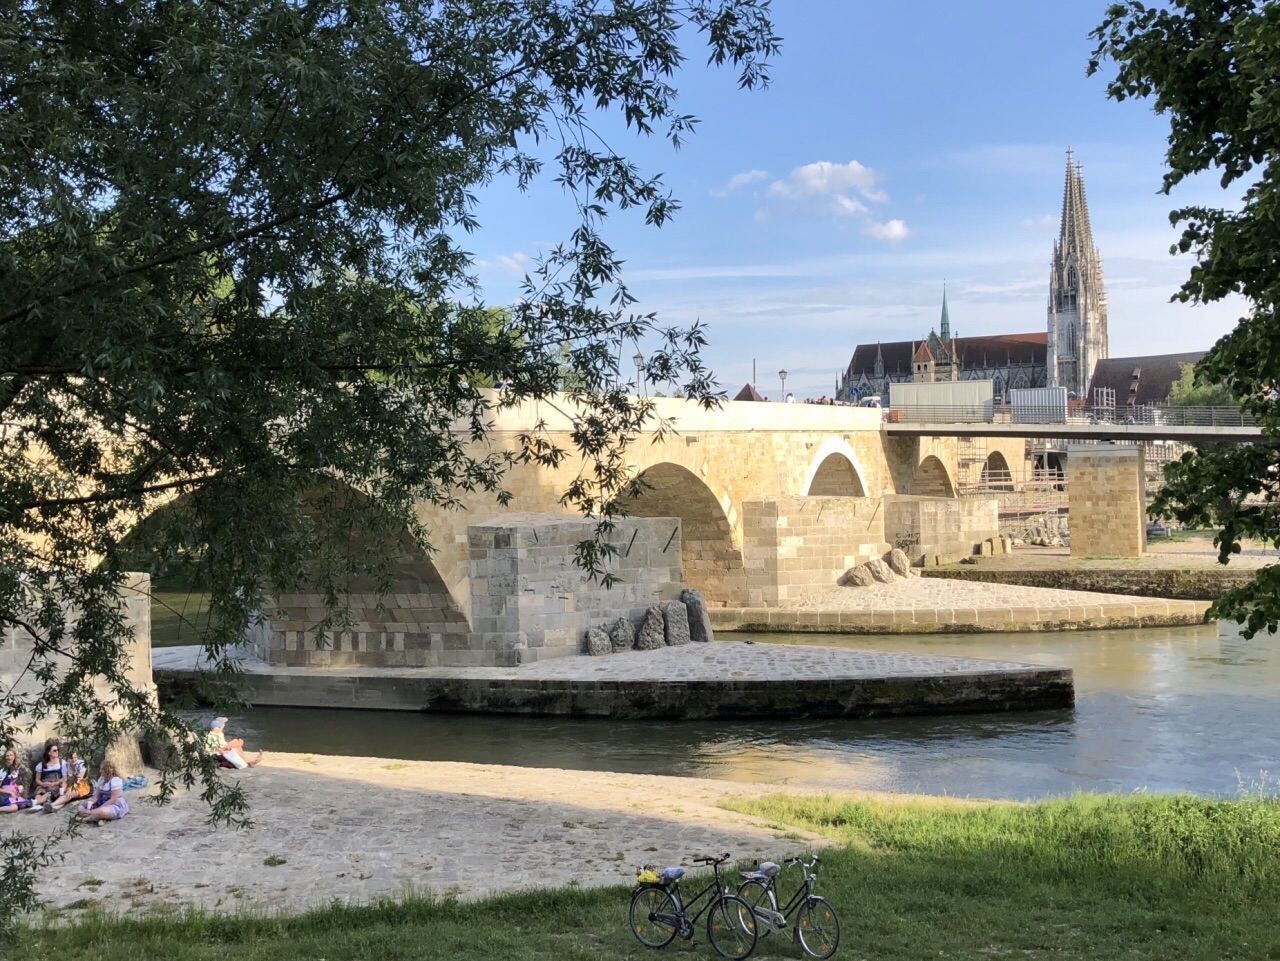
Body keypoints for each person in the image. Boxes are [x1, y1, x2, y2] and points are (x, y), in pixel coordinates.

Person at [75, 759, 128, 825]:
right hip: (102, 801)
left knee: (102, 811)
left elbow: (113, 799)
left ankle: (86, 819)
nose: (100, 771)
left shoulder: (115, 780)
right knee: (81, 807)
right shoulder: (101, 779)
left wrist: (99, 808)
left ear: (107, 770)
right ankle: (101, 818)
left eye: (102, 769)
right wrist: (91, 803)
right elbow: (97, 796)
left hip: (114, 804)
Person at [0, 748, 38, 813]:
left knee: (23, 804)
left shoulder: (17, 768)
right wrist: (10, 792)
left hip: (15, 795)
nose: (9, 757)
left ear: (14, 756)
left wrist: (19, 789)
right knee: (14, 808)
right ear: (5, 758)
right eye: (7, 756)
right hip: (5, 795)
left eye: (11, 755)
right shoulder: (2, 771)